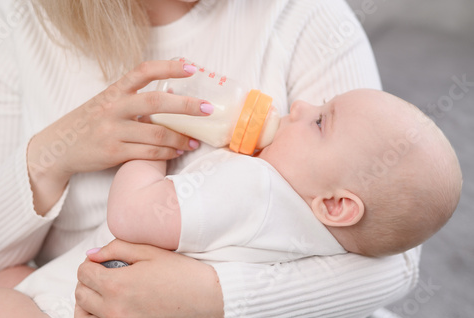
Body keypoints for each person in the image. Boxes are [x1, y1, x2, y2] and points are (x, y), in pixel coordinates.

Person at [0, 0, 428, 318]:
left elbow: (396, 253)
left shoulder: (303, 16)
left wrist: (212, 300)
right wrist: (50, 156)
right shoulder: (11, 19)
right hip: (81, 287)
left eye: (319, 118)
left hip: (91, 300)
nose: (302, 107)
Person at [107, 89, 462, 261]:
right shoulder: (331, 249)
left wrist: (150, 143)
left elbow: (129, 214)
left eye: (320, 121)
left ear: (336, 205)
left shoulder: (256, 188)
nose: (300, 105)